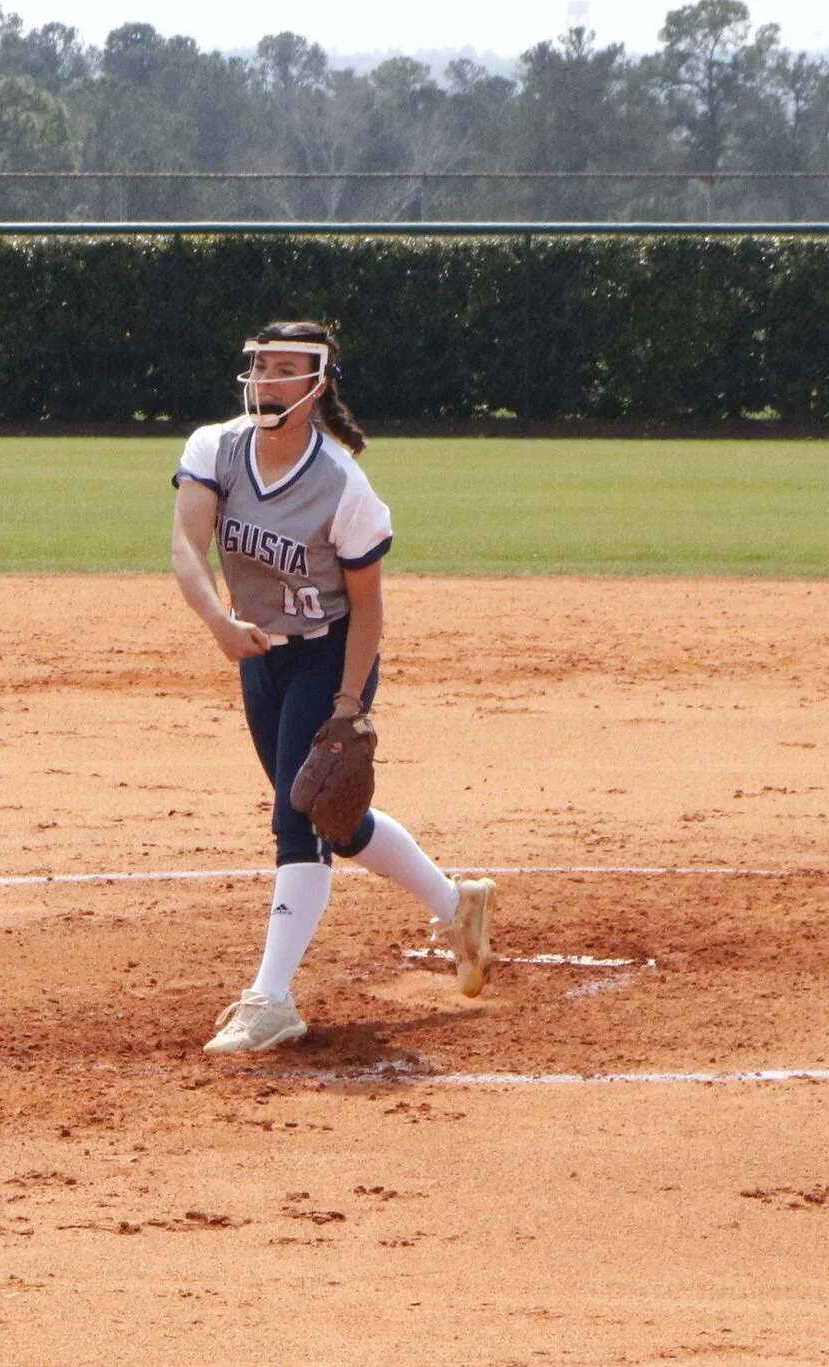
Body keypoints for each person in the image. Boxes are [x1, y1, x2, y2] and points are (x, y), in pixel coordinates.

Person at [167, 321, 497, 1055]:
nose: (269, 381)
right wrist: (218, 620)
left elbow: (369, 604)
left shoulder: (341, 482)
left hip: (330, 657)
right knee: (334, 821)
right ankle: (458, 906)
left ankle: (272, 999)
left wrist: (350, 704)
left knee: (298, 821)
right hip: (259, 654)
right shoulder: (213, 449)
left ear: (317, 386)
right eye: (261, 366)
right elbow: (187, 544)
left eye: (288, 369)